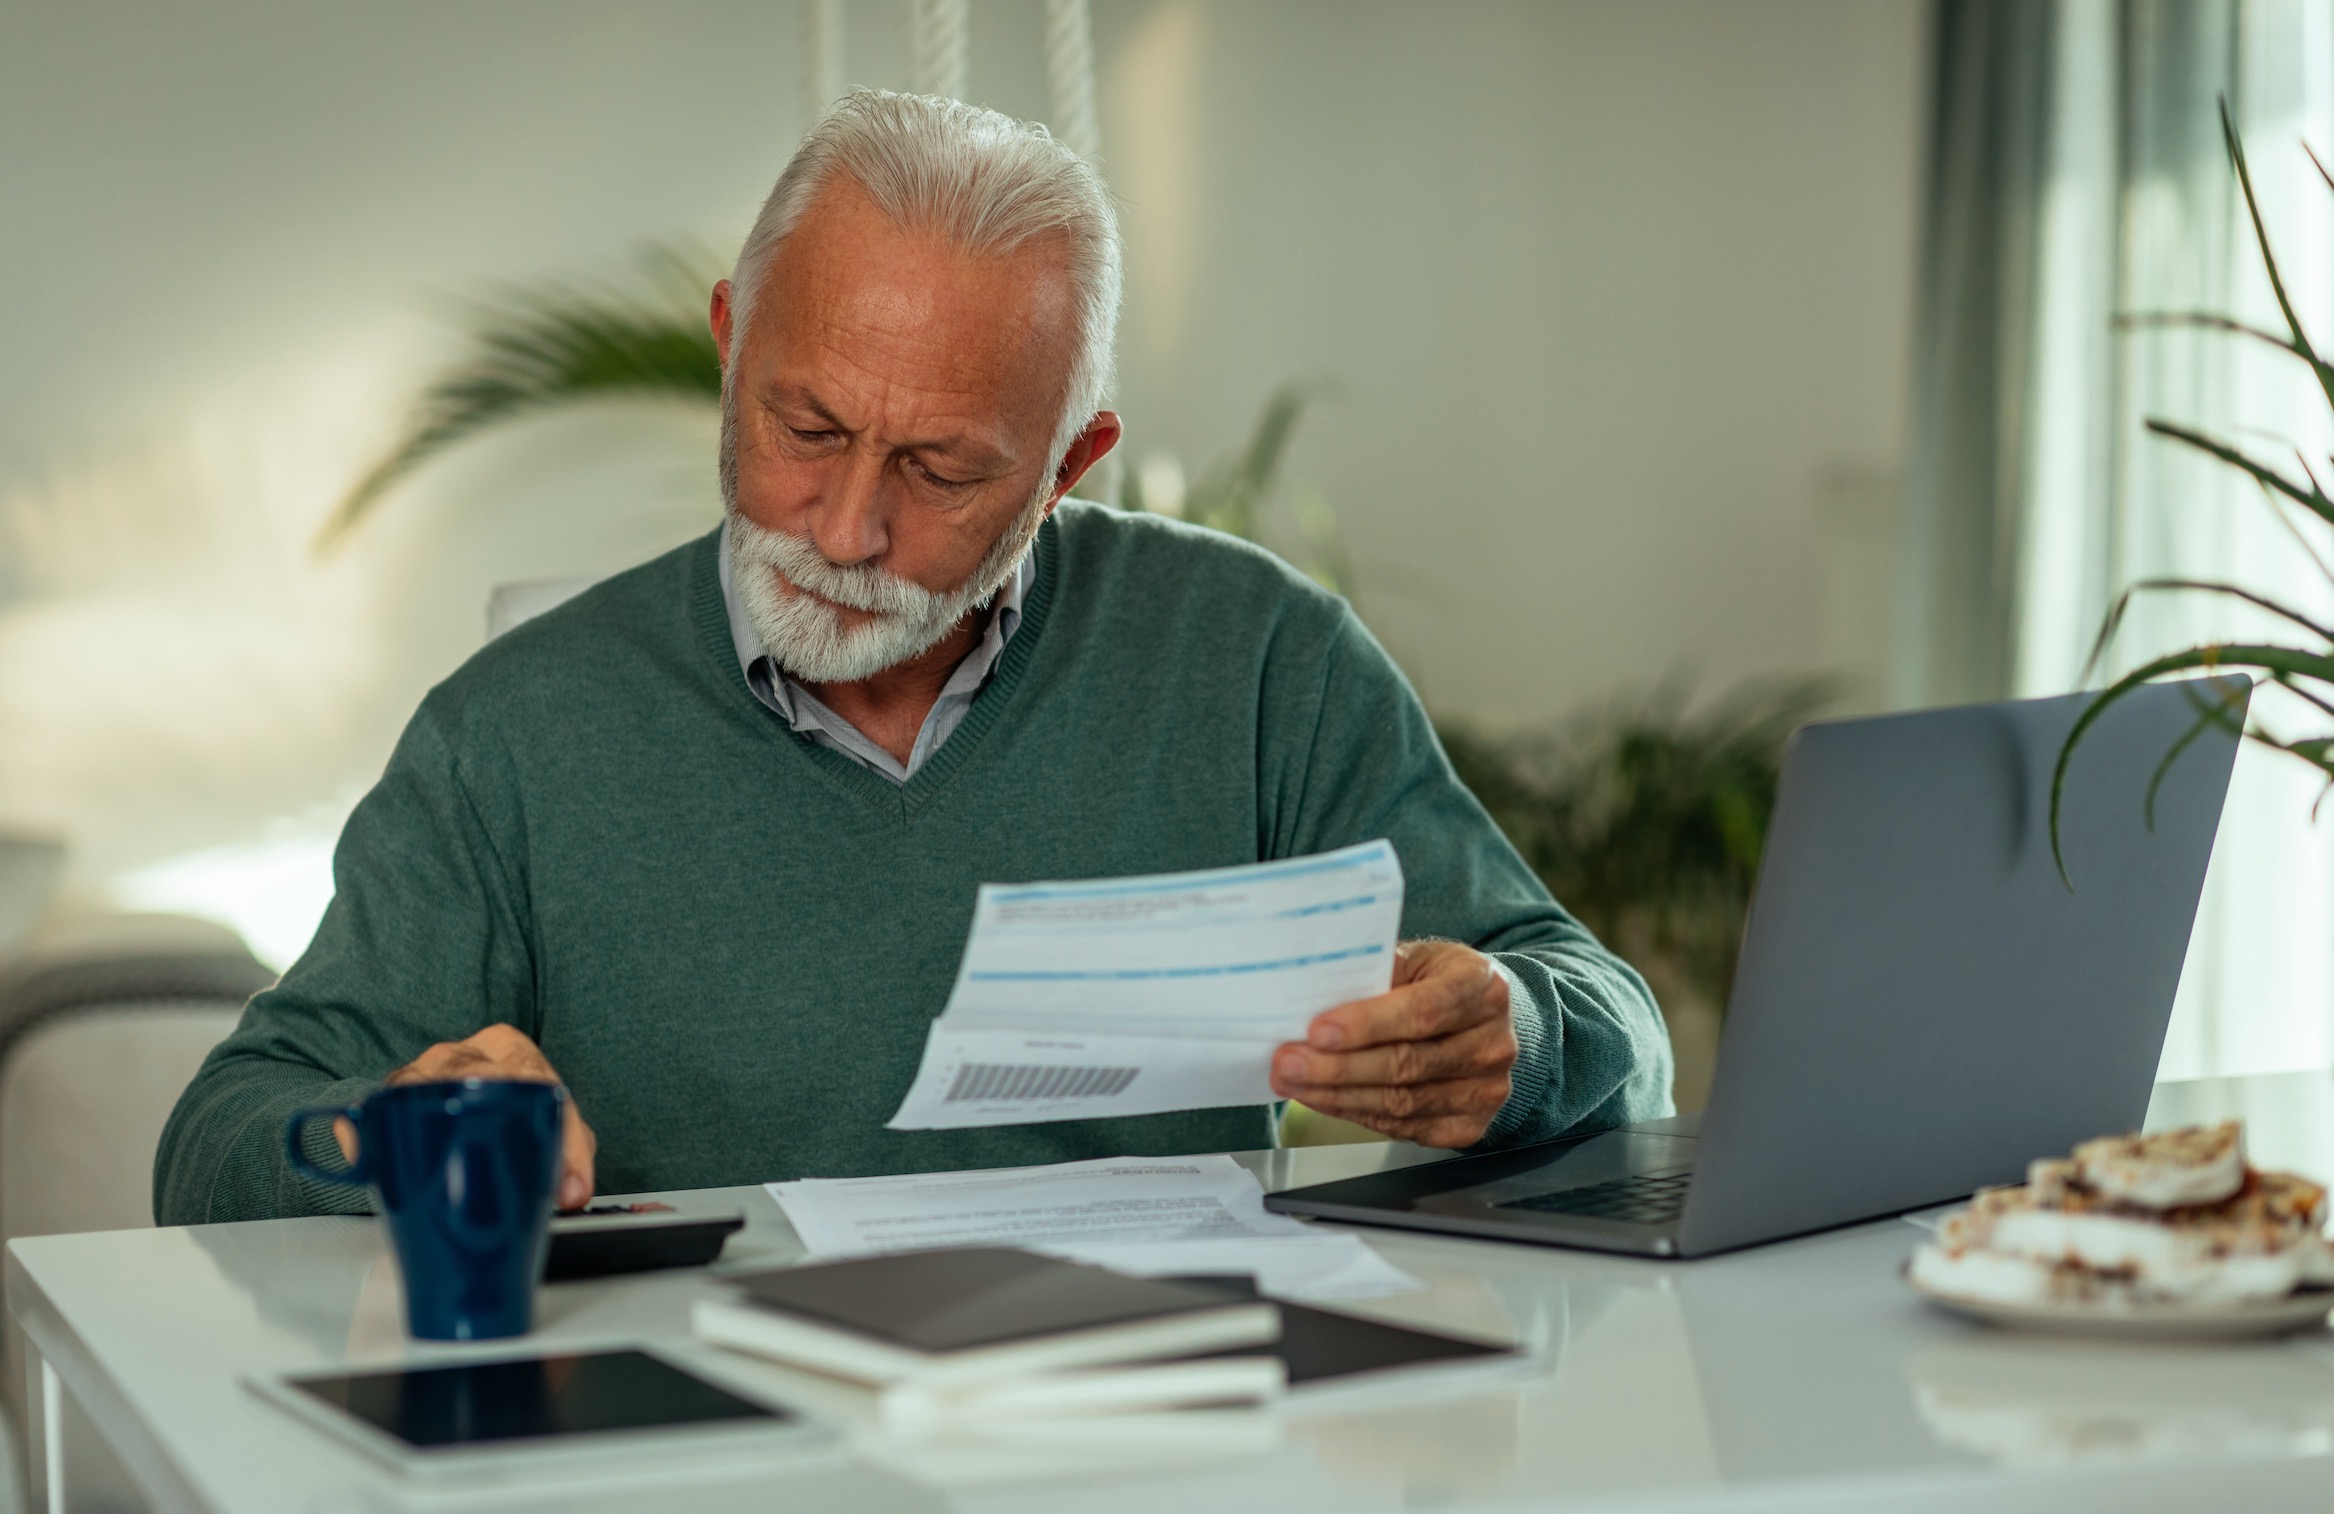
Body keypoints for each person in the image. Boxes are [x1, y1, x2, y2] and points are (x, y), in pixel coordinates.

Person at [154, 91, 1671, 1225]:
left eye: (943, 471)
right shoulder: (516, 733)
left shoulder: (1254, 657)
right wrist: (379, 1134)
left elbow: (1608, 1022)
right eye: (803, 428)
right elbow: (220, 1137)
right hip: (698, 1451)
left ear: (1069, 463)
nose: (850, 525)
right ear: (730, 340)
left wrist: (1513, 1040)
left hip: (1163, 1435)